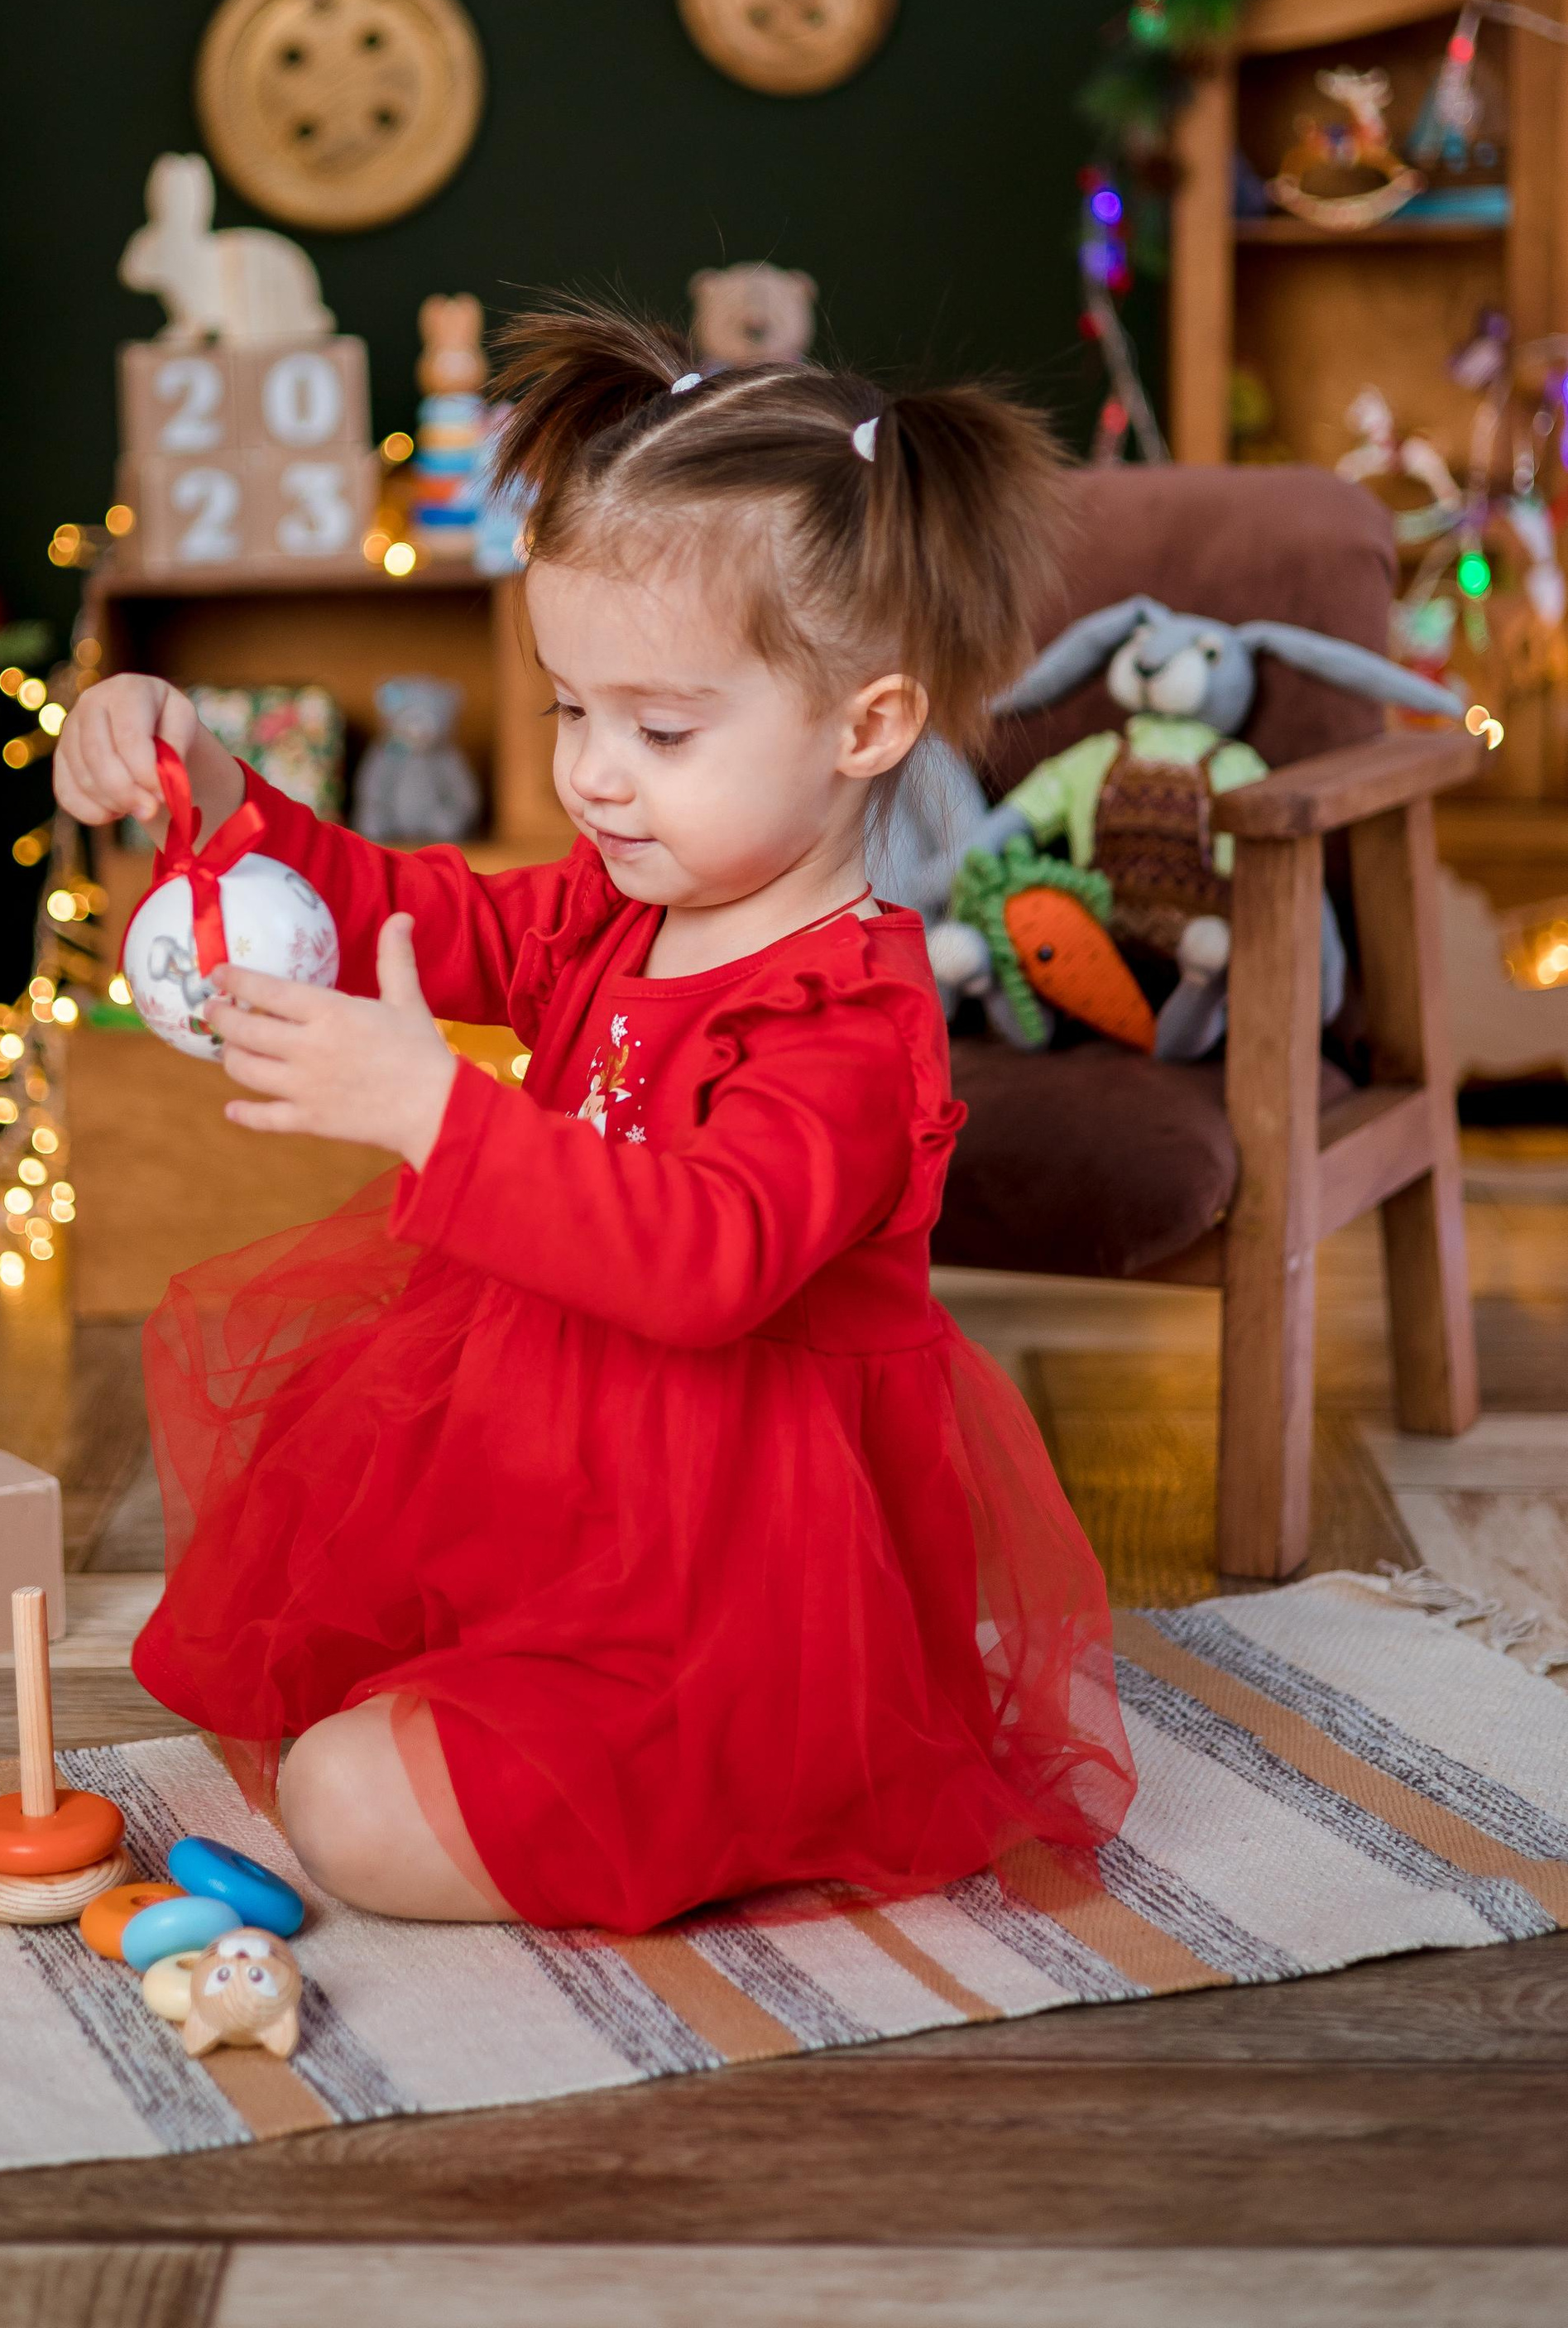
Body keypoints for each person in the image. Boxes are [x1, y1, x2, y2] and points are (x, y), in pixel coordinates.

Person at [55, 304, 1134, 1934]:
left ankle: (772, 1776)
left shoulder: (843, 1016)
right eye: (569, 709)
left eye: (660, 728)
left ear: (866, 726)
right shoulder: (612, 902)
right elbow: (408, 913)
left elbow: (705, 1259)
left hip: (751, 1579)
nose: (594, 777)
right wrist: (214, 793)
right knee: (334, 1721)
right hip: (581, 1502)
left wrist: (438, 1109)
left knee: (348, 1812)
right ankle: (586, 1722)